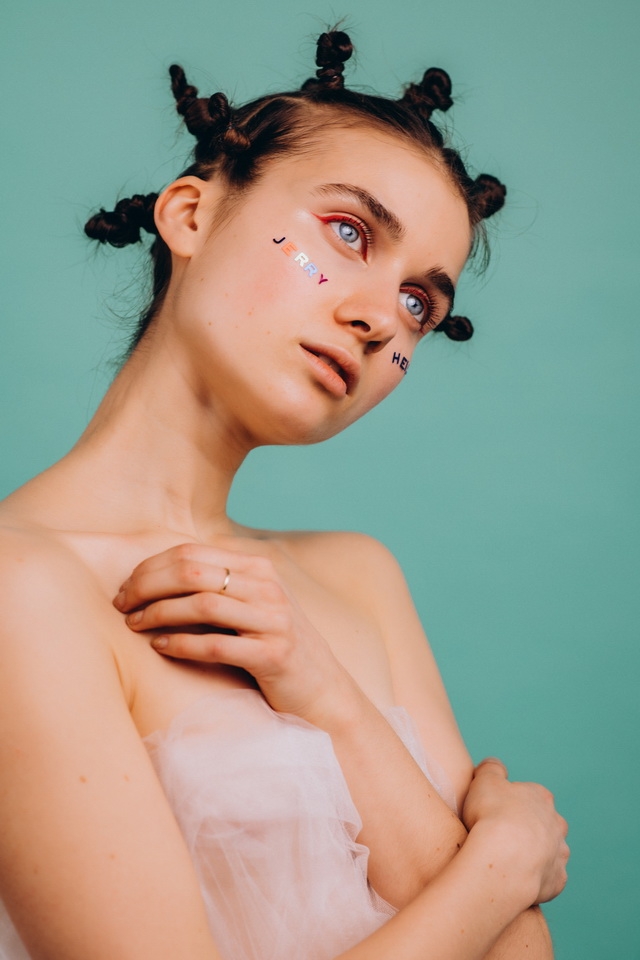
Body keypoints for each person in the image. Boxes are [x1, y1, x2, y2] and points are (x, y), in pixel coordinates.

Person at [0, 29, 568, 960]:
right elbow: (502, 919)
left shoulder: (358, 578)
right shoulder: (19, 590)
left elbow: (521, 955)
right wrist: (505, 863)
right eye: (348, 233)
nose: (380, 318)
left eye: (420, 305)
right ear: (191, 214)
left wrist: (324, 690)